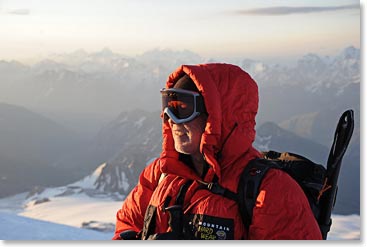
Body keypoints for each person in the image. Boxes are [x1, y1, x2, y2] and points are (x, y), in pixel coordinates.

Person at [113, 63, 322, 240]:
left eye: (183, 108)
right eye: (168, 105)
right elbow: (127, 223)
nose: (171, 119)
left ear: (219, 118)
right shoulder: (160, 174)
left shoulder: (271, 191)